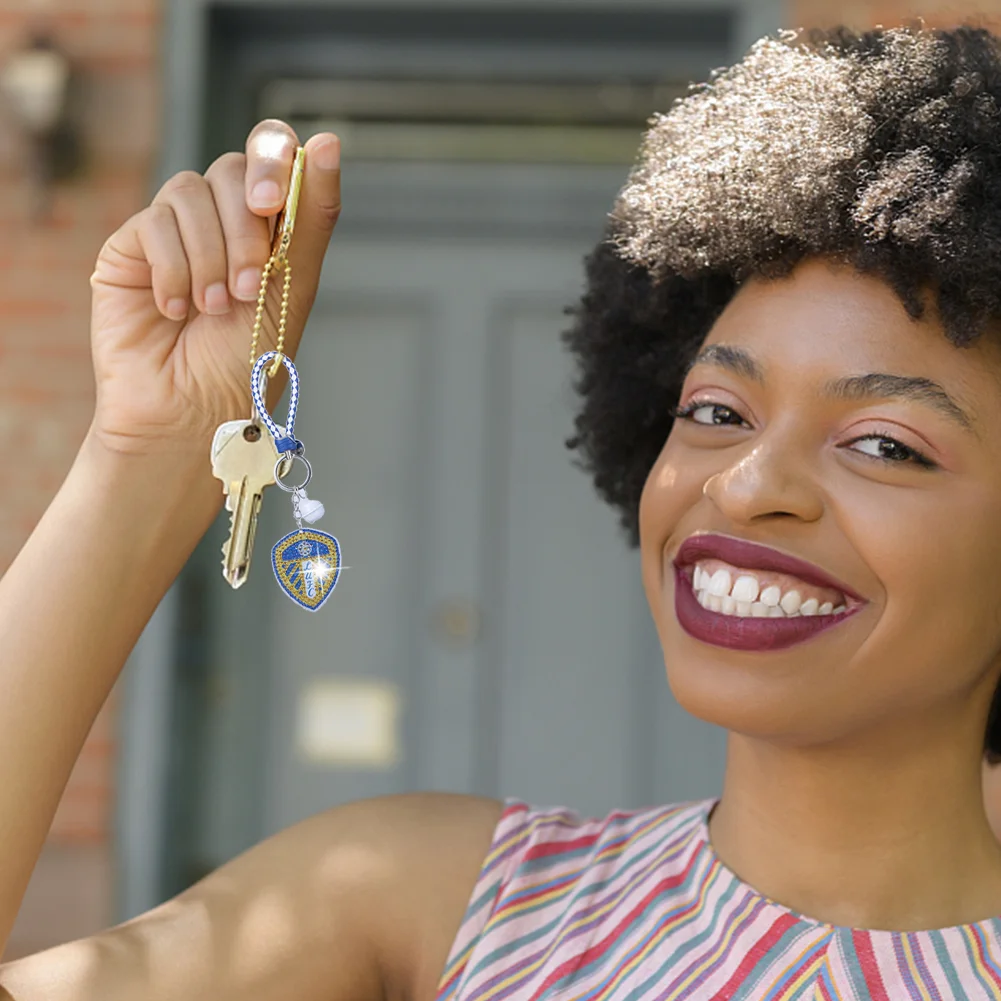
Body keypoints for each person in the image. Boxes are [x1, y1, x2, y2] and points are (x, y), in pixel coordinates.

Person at [5, 19, 1001, 1000]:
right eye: (713, 411)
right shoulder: (428, 902)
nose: (742, 483)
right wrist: (148, 452)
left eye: (882, 443)